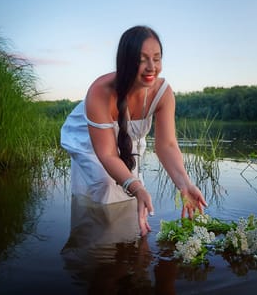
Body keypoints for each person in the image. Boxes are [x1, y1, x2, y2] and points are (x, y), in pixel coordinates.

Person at [61, 25, 207, 236]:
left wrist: (184, 184)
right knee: (103, 187)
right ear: (125, 61)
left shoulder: (163, 93)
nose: (151, 67)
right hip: (90, 136)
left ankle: (130, 243)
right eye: (142, 59)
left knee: (131, 194)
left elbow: (166, 145)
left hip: (127, 138)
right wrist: (136, 187)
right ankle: (96, 250)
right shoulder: (100, 92)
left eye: (156, 59)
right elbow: (108, 154)